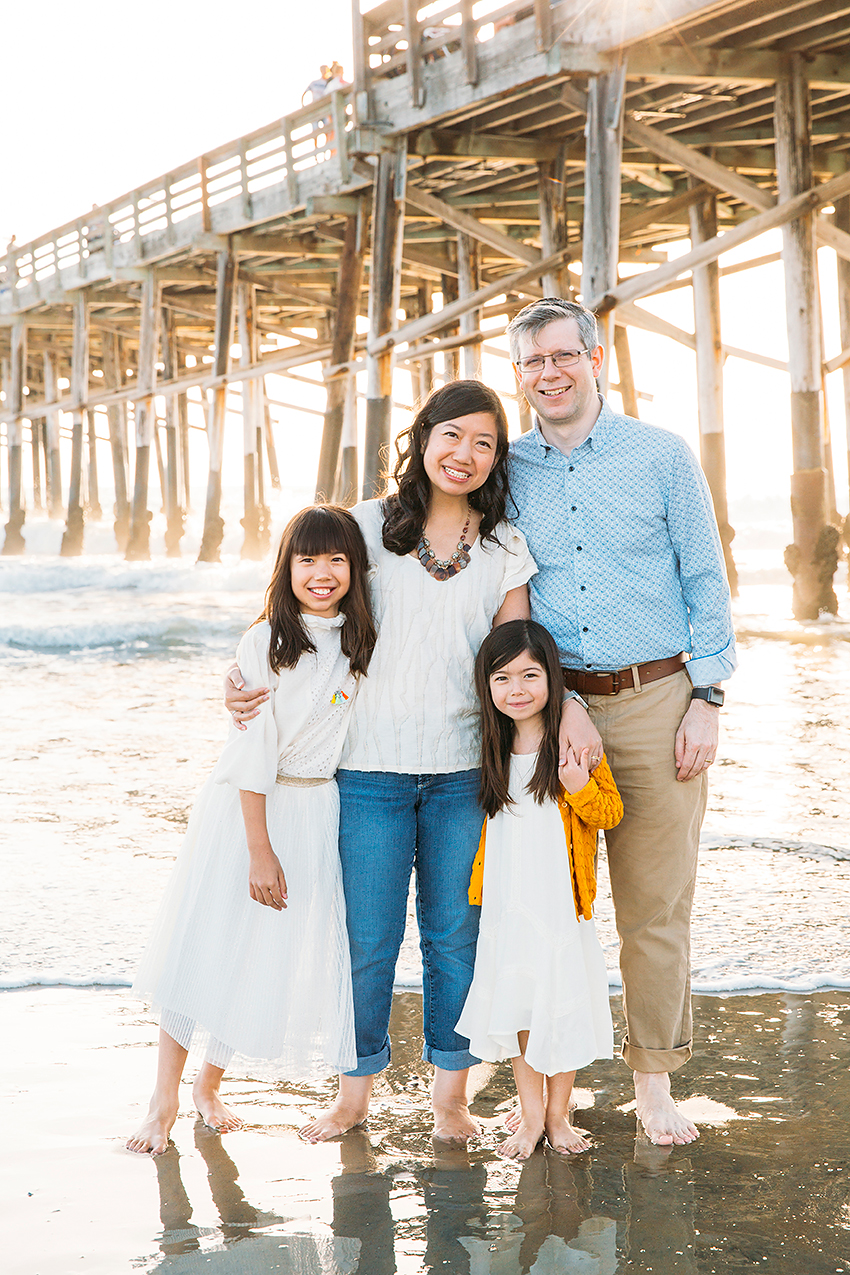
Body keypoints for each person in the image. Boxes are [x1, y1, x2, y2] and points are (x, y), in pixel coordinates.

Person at [227, 381, 544, 1143]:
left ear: (496, 458)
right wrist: (242, 676)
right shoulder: (364, 527)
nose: (464, 455)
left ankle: (451, 1097)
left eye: (484, 444)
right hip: (365, 774)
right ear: (422, 437)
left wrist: (555, 738)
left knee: (452, 936)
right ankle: (354, 1092)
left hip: (465, 776)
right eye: (452, 436)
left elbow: (518, 659)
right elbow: (298, 604)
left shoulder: (502, 546)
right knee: (366, 939)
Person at [505, 297, 737, 1146]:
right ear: (520, 374)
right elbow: (486, 582)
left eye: (563, 355)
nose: (550, 374)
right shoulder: (510, 469)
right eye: (532, 362)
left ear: (596, 357)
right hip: (551, 709)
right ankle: (537, 1082)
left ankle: (653, 1084)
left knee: (653, 904)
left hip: (658, 699)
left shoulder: (662, 455)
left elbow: (708, 580)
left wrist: (708, 699)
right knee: (541, 903)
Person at [126, 505, 376, 1155]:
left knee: (261, 953)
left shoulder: (359, 637)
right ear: (285, 567)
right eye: (307, 559)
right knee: (206, 946)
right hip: (250, 814)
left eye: (337, 559)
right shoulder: (264, 642)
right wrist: (259, 851)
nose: (322, 573)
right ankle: (164, 1100)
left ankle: (211, 1084)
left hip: (317, 811)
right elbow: (251, 751)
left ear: (355, 567)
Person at [456, 619, 622, 1161]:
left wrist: (577, 787)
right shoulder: (492, 748)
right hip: (510, 905)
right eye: (502, 678)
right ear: (487, 687)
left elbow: (609, 812)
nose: (517, 689)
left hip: (561, 906)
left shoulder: (571, 742)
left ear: (553, 678)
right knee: (523, 1007)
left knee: (562, 1005)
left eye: (530, 675)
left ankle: (558, 1117)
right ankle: (530, 1117)